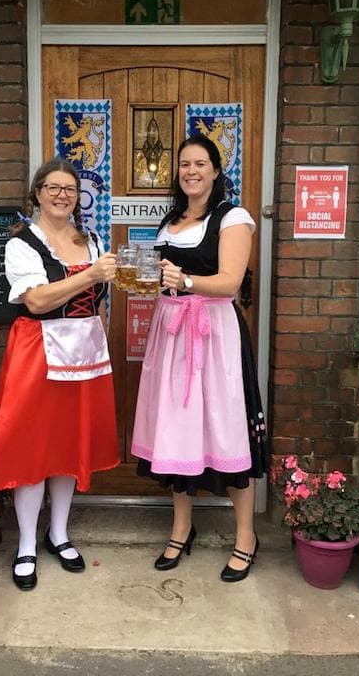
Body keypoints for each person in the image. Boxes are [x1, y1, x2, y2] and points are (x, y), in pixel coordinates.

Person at [0, 159, 119, 591]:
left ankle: (58, 533)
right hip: (38, 349)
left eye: (70, 189)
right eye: (53, 188)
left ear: (78, 198)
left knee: (67, 444)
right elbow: (35, 301)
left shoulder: (89, 239)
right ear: (37, 193)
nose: (62, 195)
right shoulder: (21, 243)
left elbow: (100, 301)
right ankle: (25, 545)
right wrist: (90, 274)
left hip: (85, 350)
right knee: (33, 447)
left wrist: (102, 329)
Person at [131, 134, 267, 582]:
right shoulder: (170, 221)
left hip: (214, 337)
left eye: (200, 163)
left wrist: (184, 280)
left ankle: (245, 536)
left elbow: (228, 283)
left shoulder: (233, 218)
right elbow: (160, 281)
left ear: (215, 170)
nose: (191, 171)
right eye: (184, 164)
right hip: (172, 335)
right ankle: (181, 528)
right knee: (177, 431)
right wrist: (141, 281)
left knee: (227, 432)